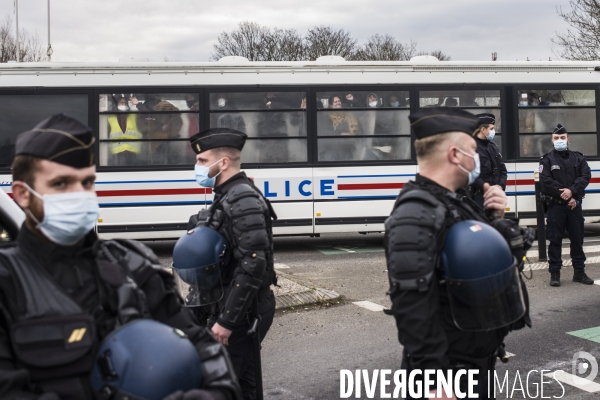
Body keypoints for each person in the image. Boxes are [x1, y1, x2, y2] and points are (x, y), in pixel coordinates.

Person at [0, 114, 241, 399]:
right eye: (61, 184)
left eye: (86, 182)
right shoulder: (7, 282)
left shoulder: (131, 263)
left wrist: (214, 394)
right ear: (22, 194)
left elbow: (199, 343)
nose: (80, 194)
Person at [385, 107, 531, 399]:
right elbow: (411, 303)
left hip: (472, 362)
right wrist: (432, 381)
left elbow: (481, 265)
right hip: (449, 371)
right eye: (473, 151)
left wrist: (494, 217)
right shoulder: (416, 212)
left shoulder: (451, 202)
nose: (477, 159)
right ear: (454, 155)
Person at [189, 128, 277, 400]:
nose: (197, 167)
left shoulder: (241, 197)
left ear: (223, 163)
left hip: (242, 313)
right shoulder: (227, 194)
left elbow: (253, 263)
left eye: (203, 161)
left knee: (218, 387)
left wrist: (227, 321)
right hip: (231, 306)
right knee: (243, 386)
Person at [540, 124, 593, 287]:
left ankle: (579, 272)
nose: (560, 140)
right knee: (555, 240)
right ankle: (554, 274)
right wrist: (566, 196)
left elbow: (585, 177)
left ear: (568, 139)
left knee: (577, 239)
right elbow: (546, 182)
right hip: (556, 207)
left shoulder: (579, 158)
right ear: (552, 141)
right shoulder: (547, 159)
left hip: (574, 206)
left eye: (563, 138)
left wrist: (572, 192)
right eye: (556, 138)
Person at [470, 113, 507, 208]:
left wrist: (500, 186)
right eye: (491, 129)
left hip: (495, 196)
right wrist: (487, 188)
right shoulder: (472, 148)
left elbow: (502, 170)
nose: (493, 131)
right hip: (480, 197)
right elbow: (471, 175)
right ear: (483, 130)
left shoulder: (492, 147)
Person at [107, 95, 143, 165]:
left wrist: (138, 104)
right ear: (116, 104)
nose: (123, 103)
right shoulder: (110, 118)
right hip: (117, 154)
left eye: (125, 102)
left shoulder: (133, 116)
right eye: (121, 102)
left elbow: (148, 118)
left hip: (132, 153)